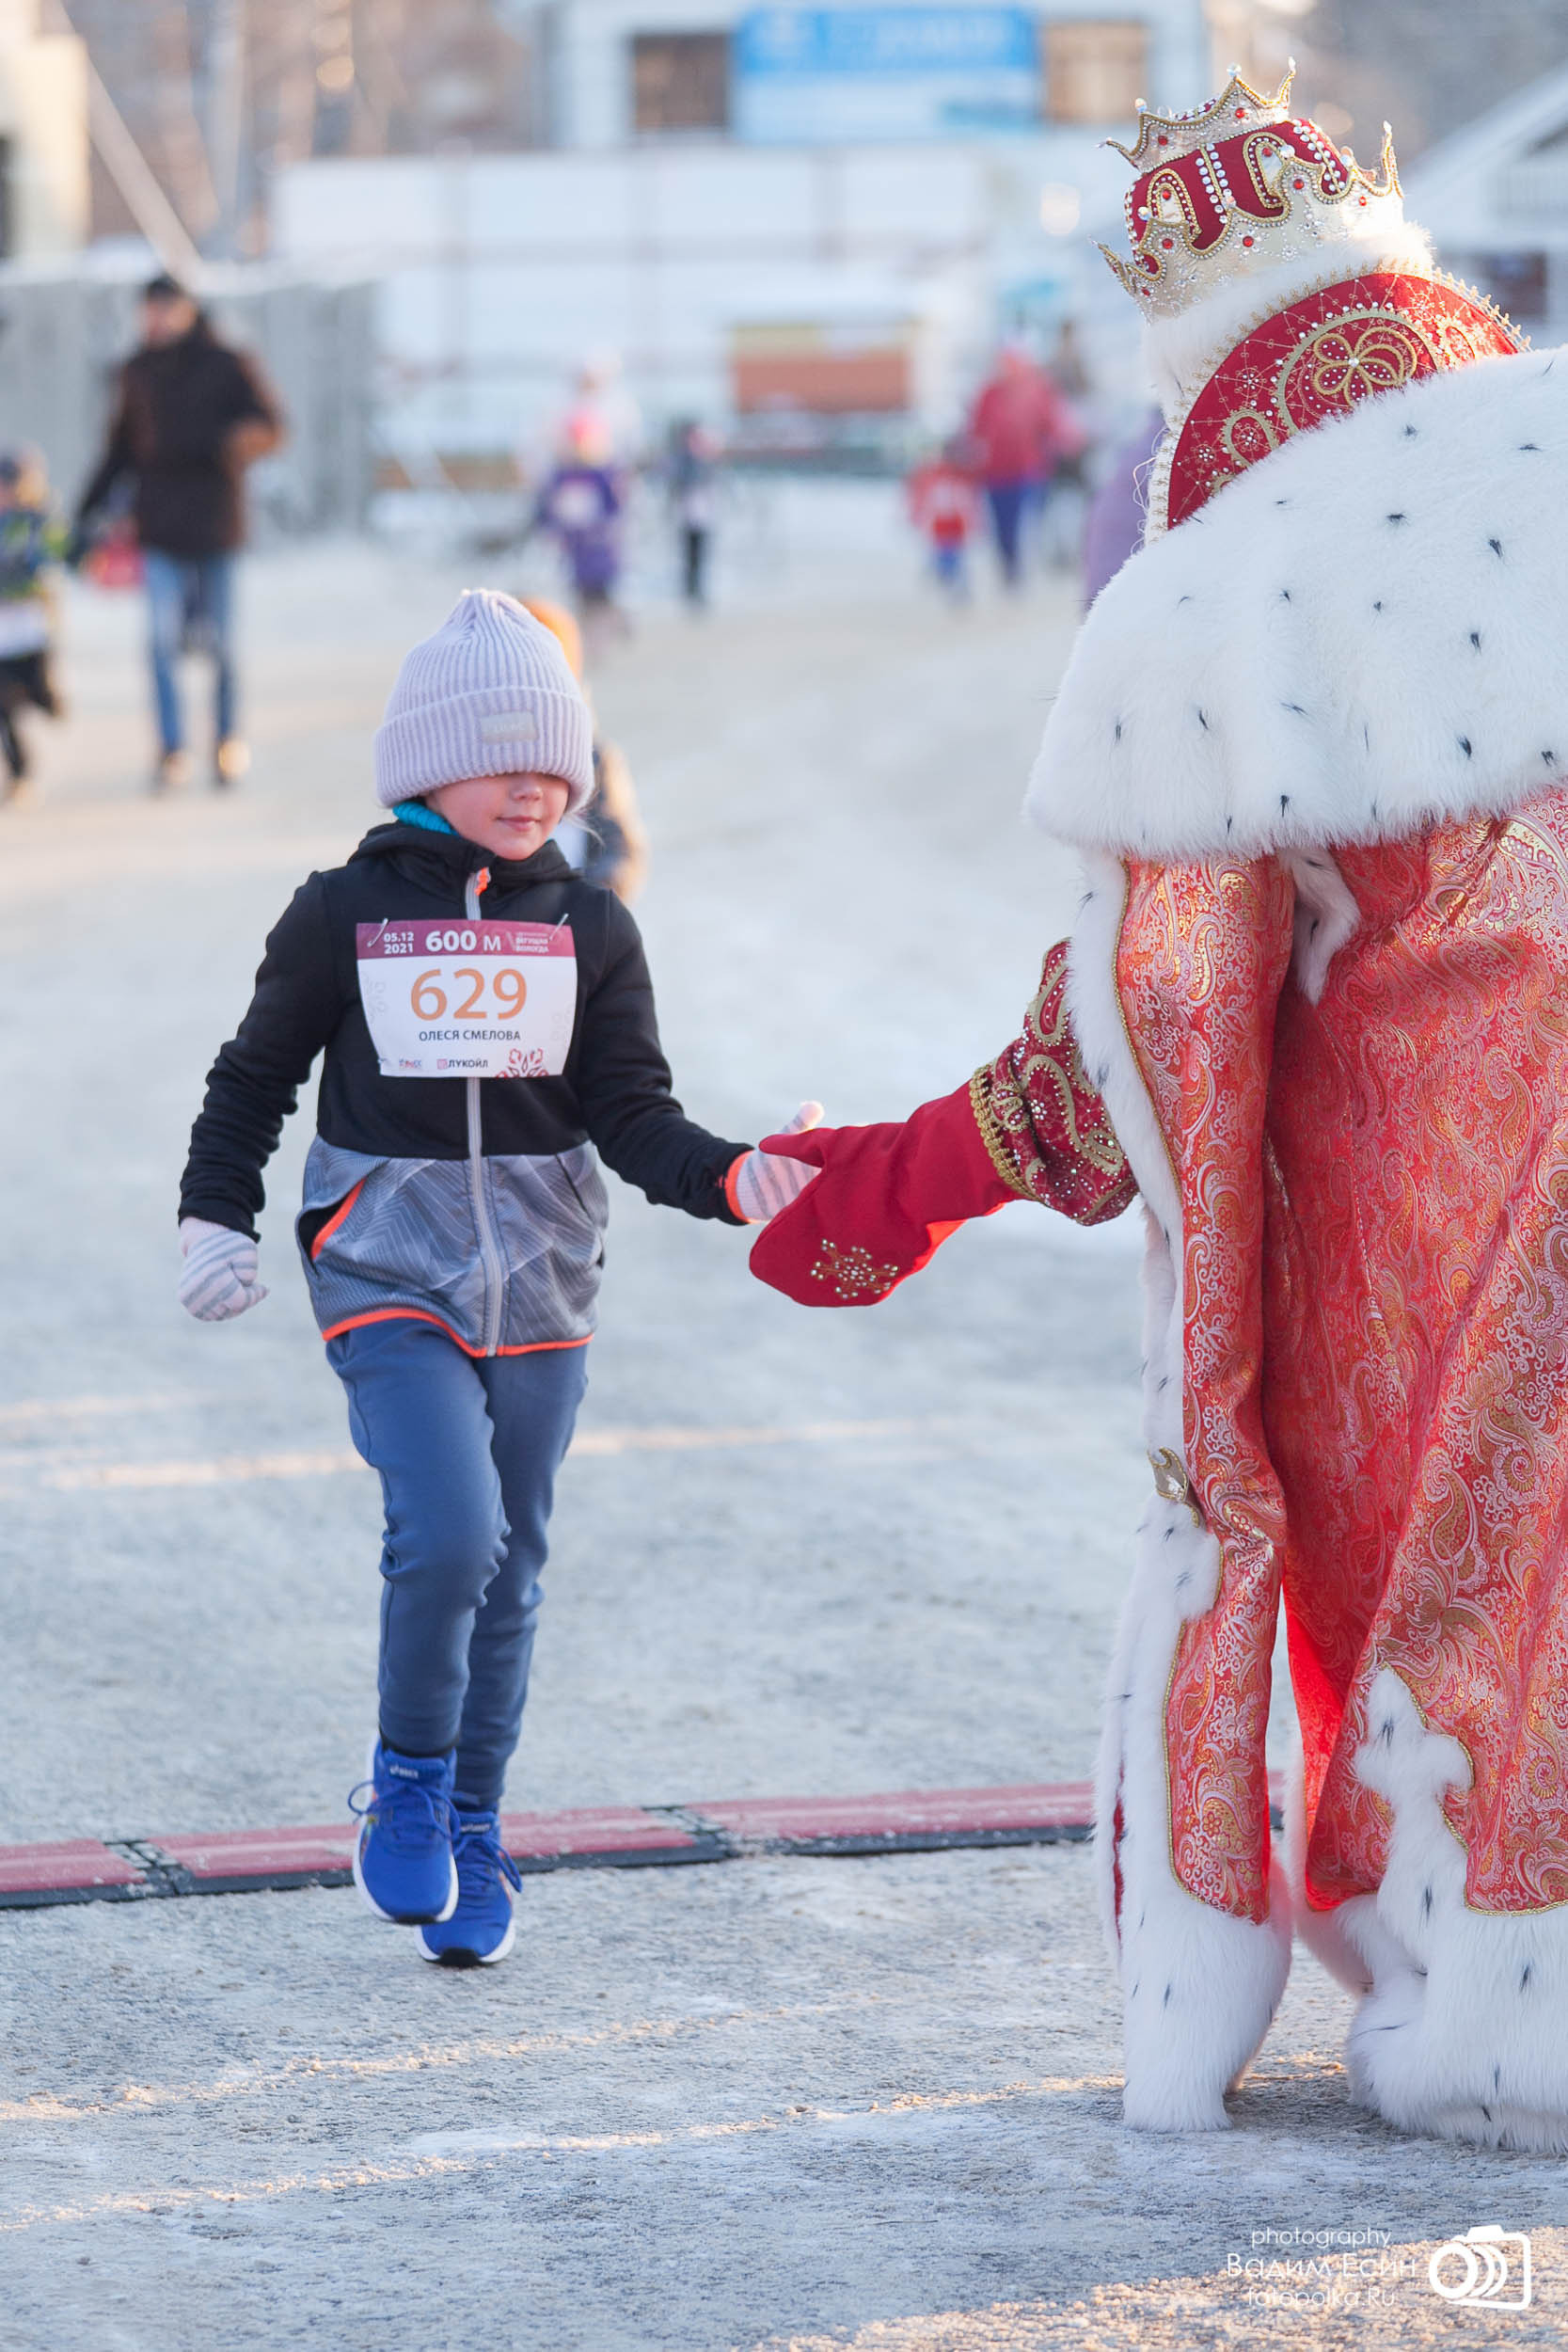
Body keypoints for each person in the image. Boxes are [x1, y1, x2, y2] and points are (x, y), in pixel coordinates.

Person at [747, 70, 1568, 2152]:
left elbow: (1148, 1039)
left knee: (1484, 1594)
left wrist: (906, 1180)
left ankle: (1503, 1998)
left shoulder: (1215, 610)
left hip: (1462, 1232)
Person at [175, 590, 815, 1966]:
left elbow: (633, 1109)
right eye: (501, 755)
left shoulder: (590, 926)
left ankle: (473, 1817)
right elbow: (252, 1080)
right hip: (385, 1265)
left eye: (556, 760)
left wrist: (728, 1176)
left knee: (513, 1564)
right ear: (425, 766)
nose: (534, 784)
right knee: (450, 1533)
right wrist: (211, 1214)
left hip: (538, 1285)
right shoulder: (341, 912)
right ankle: (405, 1780)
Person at [73, 272, 284, 793]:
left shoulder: (228, 362)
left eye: (166, 308)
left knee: (223, 645)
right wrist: (87, 510)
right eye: (150, 309)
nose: (157, 318)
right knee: (160, 643)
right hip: (160, 526)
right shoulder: (137, 371)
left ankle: (227, 741)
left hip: (217, 523)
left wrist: (236, 443)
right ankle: (171, 748)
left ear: (188, 310)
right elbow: (120, 447)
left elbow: (272, 424)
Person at [520, 596, 649, 902]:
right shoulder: (485, 761)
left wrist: (592, 896)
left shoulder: (594, 759)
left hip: (576, 918)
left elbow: (621, 846)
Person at [966, 345, 1082, 588]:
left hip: (1028, 469)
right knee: (1001, 526)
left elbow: (1053, 422)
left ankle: (1021, 569)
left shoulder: (1037, 390)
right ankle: (1008, 565)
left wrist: (1068, 442)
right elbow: (976, 429)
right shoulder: (990, 393)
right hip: (994, 471)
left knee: (1026, 521)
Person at [0, 450, 66, 800]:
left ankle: (47, 696)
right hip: (2, 633)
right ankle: (20, 770)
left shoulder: (38, 521)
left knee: (42, 694)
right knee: (2, 705)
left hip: (32, 627)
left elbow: (63, 549)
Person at [532, 415, 626, 650]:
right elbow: (549, 507)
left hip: (599, 544)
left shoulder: (604, 475)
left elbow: (615, 507)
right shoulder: (561, 475)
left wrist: (608, 525)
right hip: (576, 546)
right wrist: (549, 527)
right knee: (581, 592)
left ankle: (608, 624)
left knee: (600, 590)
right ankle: (590, 633)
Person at [904, 438, 979, 602]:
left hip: (957, 526)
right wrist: (916, 514)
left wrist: (973, 522)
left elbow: (969, 502)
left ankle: (957, 586)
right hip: (940, 525)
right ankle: (943, 577)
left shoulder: (963, 477)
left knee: (955, 557)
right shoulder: (934, 475)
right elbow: (922, 495)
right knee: (943, 554)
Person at [665, 420, 720, 607]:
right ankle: (689, 589)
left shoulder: (705, 460)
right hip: (687, 511)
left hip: (702, 512)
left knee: (701, 552)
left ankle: (698, 588)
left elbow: (712, 483)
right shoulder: (683, 461)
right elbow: (675, 484)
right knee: (688, 553)